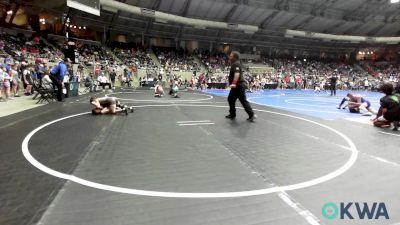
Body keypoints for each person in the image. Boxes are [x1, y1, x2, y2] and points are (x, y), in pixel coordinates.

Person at [225, 51, 256, 121]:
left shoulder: (236, 64)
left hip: (238, 86)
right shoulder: (235, 64)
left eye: (231, 56)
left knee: (242, 100)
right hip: (237, 86)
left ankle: (251, 114)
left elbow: (237, 74)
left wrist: (233, 83)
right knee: (231, 99)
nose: (229, 57)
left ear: (235, 57)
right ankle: (233, 114)